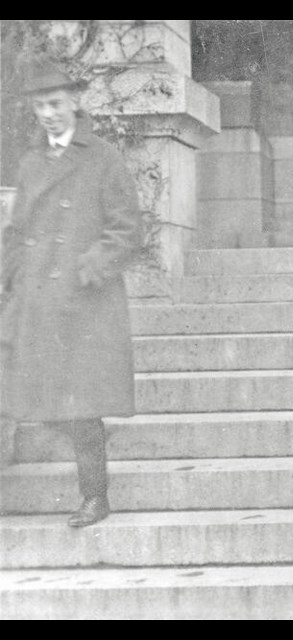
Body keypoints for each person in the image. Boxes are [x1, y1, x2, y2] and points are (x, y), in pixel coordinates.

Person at [0, 59, 142, 527]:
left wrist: (88, 268)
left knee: (83, 407)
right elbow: (18, 233)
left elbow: (126, 231)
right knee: (32, 395)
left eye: (56, 103)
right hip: (38, 298)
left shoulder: (102, 157)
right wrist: (10, 281)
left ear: (75, 103)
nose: (49, 114)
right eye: (40, 106)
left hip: (85, 302)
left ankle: (94, 497)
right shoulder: (30, 161)